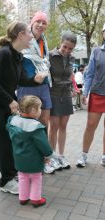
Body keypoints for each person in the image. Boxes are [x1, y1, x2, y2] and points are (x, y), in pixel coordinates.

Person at [0, 21, 41, 195]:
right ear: (20, 34)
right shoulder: (3, 54)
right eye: (29, 32)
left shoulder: (18, 56)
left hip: (3, 101)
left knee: (11, 138)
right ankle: (6, 181)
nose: (31, 36)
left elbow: (21, 80)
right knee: (3, 141)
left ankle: (11, 174)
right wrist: (9, 101)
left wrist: (36, 79)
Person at [17, 11, 59, 174]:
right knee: (25, 124)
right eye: (38, 21)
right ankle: (25, 161)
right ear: (32, 23)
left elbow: (43, 61)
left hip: (43, 85)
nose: (41, 25)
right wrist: (32, 77)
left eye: (44, 22)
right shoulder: (24, 39)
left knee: (44, 123)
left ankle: (44, 159)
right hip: (27, 86)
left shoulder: (44, 41)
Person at [6, 95, 58, 207]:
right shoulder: (36, 127)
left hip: (19, 158)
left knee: (23, 177)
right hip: (34, 159)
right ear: (33, 110)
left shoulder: (13, 122)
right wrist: (49, 155)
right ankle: (35, 199)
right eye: (40, 108)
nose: (41, 110)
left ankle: (23, 198)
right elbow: (44, 145)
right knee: (36, 178)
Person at [76, 24, 105, 167]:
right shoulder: (96, 51)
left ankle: (104, 156)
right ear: (103, 33)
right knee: (91, 125)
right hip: (97, 93)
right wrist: (85, 92)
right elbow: (90, 74)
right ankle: (84, 155)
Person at [48, 32, 77, 169]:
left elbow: (70, 75)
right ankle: (51, 156)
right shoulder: (50, 56)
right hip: (53, 94)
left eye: (70, 48)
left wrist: (72, 88)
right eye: (65, 47)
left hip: (65, 95)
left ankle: (61, 156)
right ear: (61, 43)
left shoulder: (72, 59)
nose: (67, 50)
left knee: (63, 126)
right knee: (53, 127)